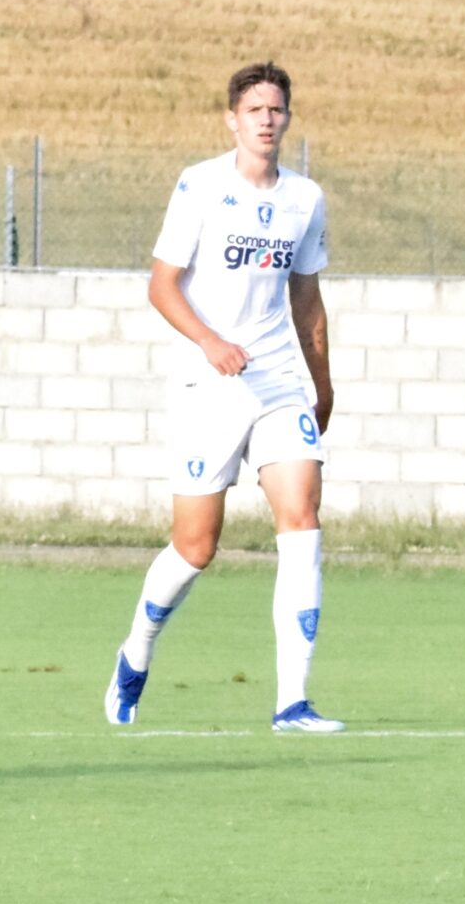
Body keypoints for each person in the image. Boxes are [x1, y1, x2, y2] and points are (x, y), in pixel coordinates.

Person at [106, 62, 341, 734]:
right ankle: (137, 648)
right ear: (231, 120)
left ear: (288, 119)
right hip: (208, 383)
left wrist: (322, 384)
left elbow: (306, 297)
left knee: (301, 516)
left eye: (277, 109)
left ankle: (292, 702)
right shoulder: (201, 185)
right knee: (196, 546)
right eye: (255, 109)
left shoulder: (305, 198)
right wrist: (209, 342)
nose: (267, 119)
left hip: (275, 380)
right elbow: (162, 285)